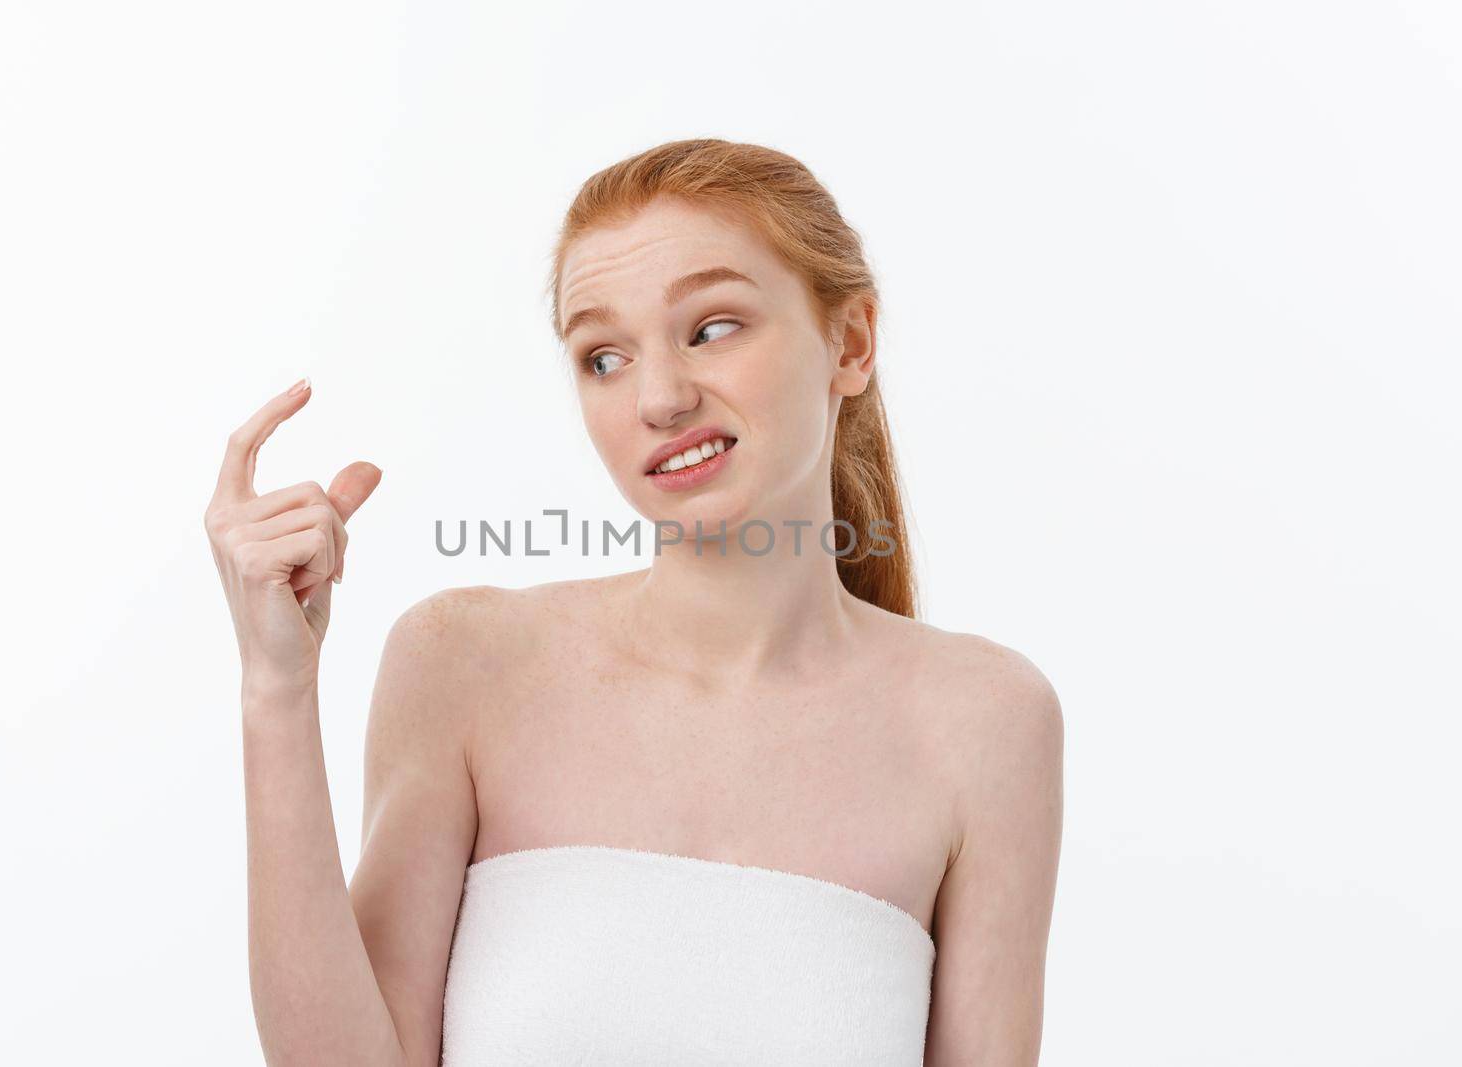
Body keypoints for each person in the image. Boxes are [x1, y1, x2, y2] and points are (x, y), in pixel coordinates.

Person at [205, 138, 1063, 1066]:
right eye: (604, 357)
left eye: (712, 327)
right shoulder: (466, 663)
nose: (658, 397)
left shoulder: (985, 721)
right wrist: (275, 691)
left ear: (849, 342)